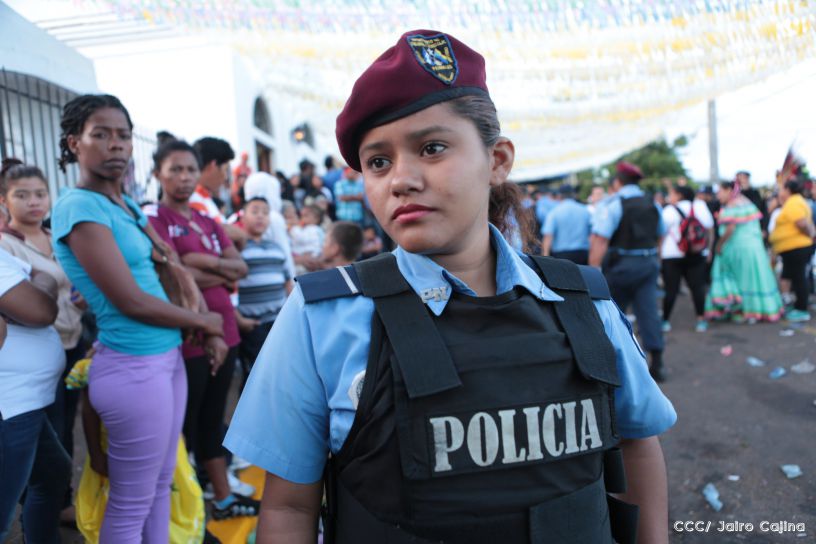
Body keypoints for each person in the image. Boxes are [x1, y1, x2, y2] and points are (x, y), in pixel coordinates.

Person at [225, 30, 675, 544]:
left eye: (432, 147)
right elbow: (287, 507)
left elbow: (639, 444)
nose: (401, 179)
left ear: (498, 160)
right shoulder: (321, 317)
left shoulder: (584, 304)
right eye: (378, 161)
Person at [52, 94, 228, 543]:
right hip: (132, 369)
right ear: (74, 143)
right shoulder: (77, 207)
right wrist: (209, 324)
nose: (116, 145)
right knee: (130, 504)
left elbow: (168, 271)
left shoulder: (126, 206)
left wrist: (198, 316)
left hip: (165, 360)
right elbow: (129, 300)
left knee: (158, 490)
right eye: (101, 135)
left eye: (124, 135)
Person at [145, 139, 258, 518]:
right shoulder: (155, 219)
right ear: (158, 173)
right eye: (175, 169)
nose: (184, 177)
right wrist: (213, 267)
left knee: (212, 420)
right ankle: (182, 511)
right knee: (183, 428)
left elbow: (240, 268)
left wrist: (197, 261)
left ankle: (223, 497)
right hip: (189, 337)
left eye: (190, 169)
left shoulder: (207, 219)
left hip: (226, 331)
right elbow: (172, 275)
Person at [0, 158, 88, 519]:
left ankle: (58, 502)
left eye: (40, 194)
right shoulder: (7, 245)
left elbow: (72, 283)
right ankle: (48, 503)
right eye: (22, 195)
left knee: (62, 434)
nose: (34, 202)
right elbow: (32, 307)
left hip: (71, 342)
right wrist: (45, 283)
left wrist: (82, 294)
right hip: (25, 378)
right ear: (5, 201)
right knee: (45, 434)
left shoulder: (57, 237)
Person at [0, 247, 69, 543]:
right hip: (9, 404)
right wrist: (34, 290)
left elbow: (44, 276)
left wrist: (37, 286)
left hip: (23, 401)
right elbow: (42, 311)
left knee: (53, 474)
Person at [589, 162, 667, 381]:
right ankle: (657, 363)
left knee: (611, 314)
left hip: (621, 265)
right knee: (649, 312)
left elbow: (601, 239)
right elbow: (661, 234)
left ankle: (613, 365)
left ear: (617, 182)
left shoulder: (614, 204)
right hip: (648, 263)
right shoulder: (653, 204)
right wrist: (655, 258)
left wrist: (593, 270)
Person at [705, 181, 783, 323]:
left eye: (720, 192)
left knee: (742, 281)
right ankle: (759, 311)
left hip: (738, 250)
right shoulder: (747, 202)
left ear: (728, 190)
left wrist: (719, 245)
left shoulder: (731, 206)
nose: (718, 195)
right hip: (755, 249)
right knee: (756, 279)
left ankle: (746, 311)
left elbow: (730, 229)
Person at [236, 196, 293, 387]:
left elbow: (287, 281)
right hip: (252, 324)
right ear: (243, 216)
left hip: (277, 321)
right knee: (256, 375)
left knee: (277, 369)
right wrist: (238, 318)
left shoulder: (276, 248)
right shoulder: (236, 249)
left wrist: (289, 311)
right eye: (255, 211)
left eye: (265, 213)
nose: (260, 216)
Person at [659, 185, 715, 333]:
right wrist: (708, 249)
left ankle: (665, 321)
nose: (669, 196)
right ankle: (701, 321)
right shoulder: (700, 207)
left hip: (672, 255)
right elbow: (710, 228)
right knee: (697, 288)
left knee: (671, 289)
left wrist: (659, 254)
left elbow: (661, 234)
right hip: (697, 253)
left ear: (679, 195)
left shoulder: (669, 210)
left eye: (671, 193)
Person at [768, 179, 815, 321]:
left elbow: (801, 223)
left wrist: (811, 234)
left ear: (788, 190)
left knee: (799, 277)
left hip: (797, 247)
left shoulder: (794, 202)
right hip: (791, 248)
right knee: (789, 275)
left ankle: (801, 309)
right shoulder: (794, 202)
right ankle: (794, 305)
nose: (780, 192)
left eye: (782, 189)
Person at [191, 136, 247, 248]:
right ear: (213, 165)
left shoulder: (203, 197)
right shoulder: (192, 199)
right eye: (225, 169)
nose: (225, 177)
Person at [540, 184, 591, 264]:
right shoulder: (585, 210)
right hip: (582, 253)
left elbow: (548, 236)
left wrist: (545, 258)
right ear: (573, 195)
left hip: (561, 255)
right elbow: (591, 234)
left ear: (559, 196)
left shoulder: (554, 212)